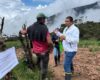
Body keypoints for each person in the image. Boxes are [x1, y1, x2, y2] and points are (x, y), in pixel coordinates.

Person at [20, 13, 53, 80]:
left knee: (38, 66)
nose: (45, 20)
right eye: (44, 19)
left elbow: (24, 32)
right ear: (42, 19)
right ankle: (43, 78)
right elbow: (49, 42)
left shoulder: (30, 27)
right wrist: (51, 47)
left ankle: (39, 76)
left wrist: (21, 31)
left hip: (35, 52)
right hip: (44, 52)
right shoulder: (44, 28)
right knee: (44, 68)